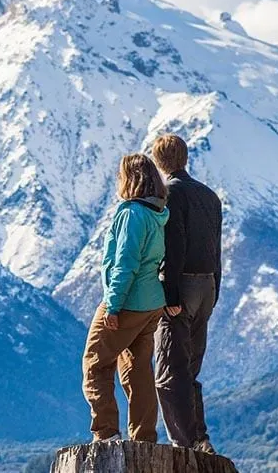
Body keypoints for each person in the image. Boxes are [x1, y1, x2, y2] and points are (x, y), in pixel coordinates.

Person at [82, 154, 170, 443]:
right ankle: (144, 437)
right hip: (152, 303)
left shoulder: (132, 214)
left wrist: (113, 305)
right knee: (138, 370)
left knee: (95, 364)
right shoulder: (158, 213)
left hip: (128, 302)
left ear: (130, 179)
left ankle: (106, 433)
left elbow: (125, 263)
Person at [151, 134, 223, 454]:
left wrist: (170, 294)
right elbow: (216, 248)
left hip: (182, 286)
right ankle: (199, 438)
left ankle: (185, 444)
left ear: (158, 161)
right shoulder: (210, 196)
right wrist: (214, 289)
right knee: (190, 368)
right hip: (207, 285)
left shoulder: (169, 194)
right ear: (185, 158)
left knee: (169, 371)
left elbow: (174, 244)